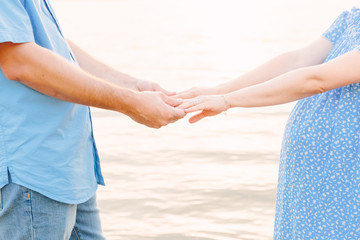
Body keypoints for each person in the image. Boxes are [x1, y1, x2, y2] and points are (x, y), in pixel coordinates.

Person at [0, 0, 185, 239]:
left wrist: (130, 85)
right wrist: (130, 103)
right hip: (31, 171)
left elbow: (48, 41)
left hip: (68, 166)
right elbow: (19, 60)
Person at [177, 7, 360, 239]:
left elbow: (317, 80)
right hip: (312, 175)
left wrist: (227, 101)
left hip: (346, 172)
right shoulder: (354, 17)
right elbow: (296, 62)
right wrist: (221, 89)